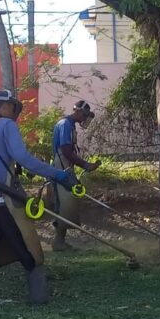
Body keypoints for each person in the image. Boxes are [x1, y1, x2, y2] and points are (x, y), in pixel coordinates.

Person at [0, 89, 76, 307]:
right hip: (6, 201)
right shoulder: (7, 125)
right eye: (13, 107)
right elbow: (23, 158)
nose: (14, 111)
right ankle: (38, 298)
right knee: (31, 250)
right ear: (7, 106)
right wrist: (57, 175)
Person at [51, 100, 100, 251]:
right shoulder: (65, 124)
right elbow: (66, 150)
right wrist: (85, 165)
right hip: (61, 168)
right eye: (84, 115)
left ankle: (60, 241)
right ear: (77, 111)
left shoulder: (70, 125)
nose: (84, 119)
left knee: (68, 202)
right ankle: (58, 242)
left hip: (65, 166)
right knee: (65, 202)